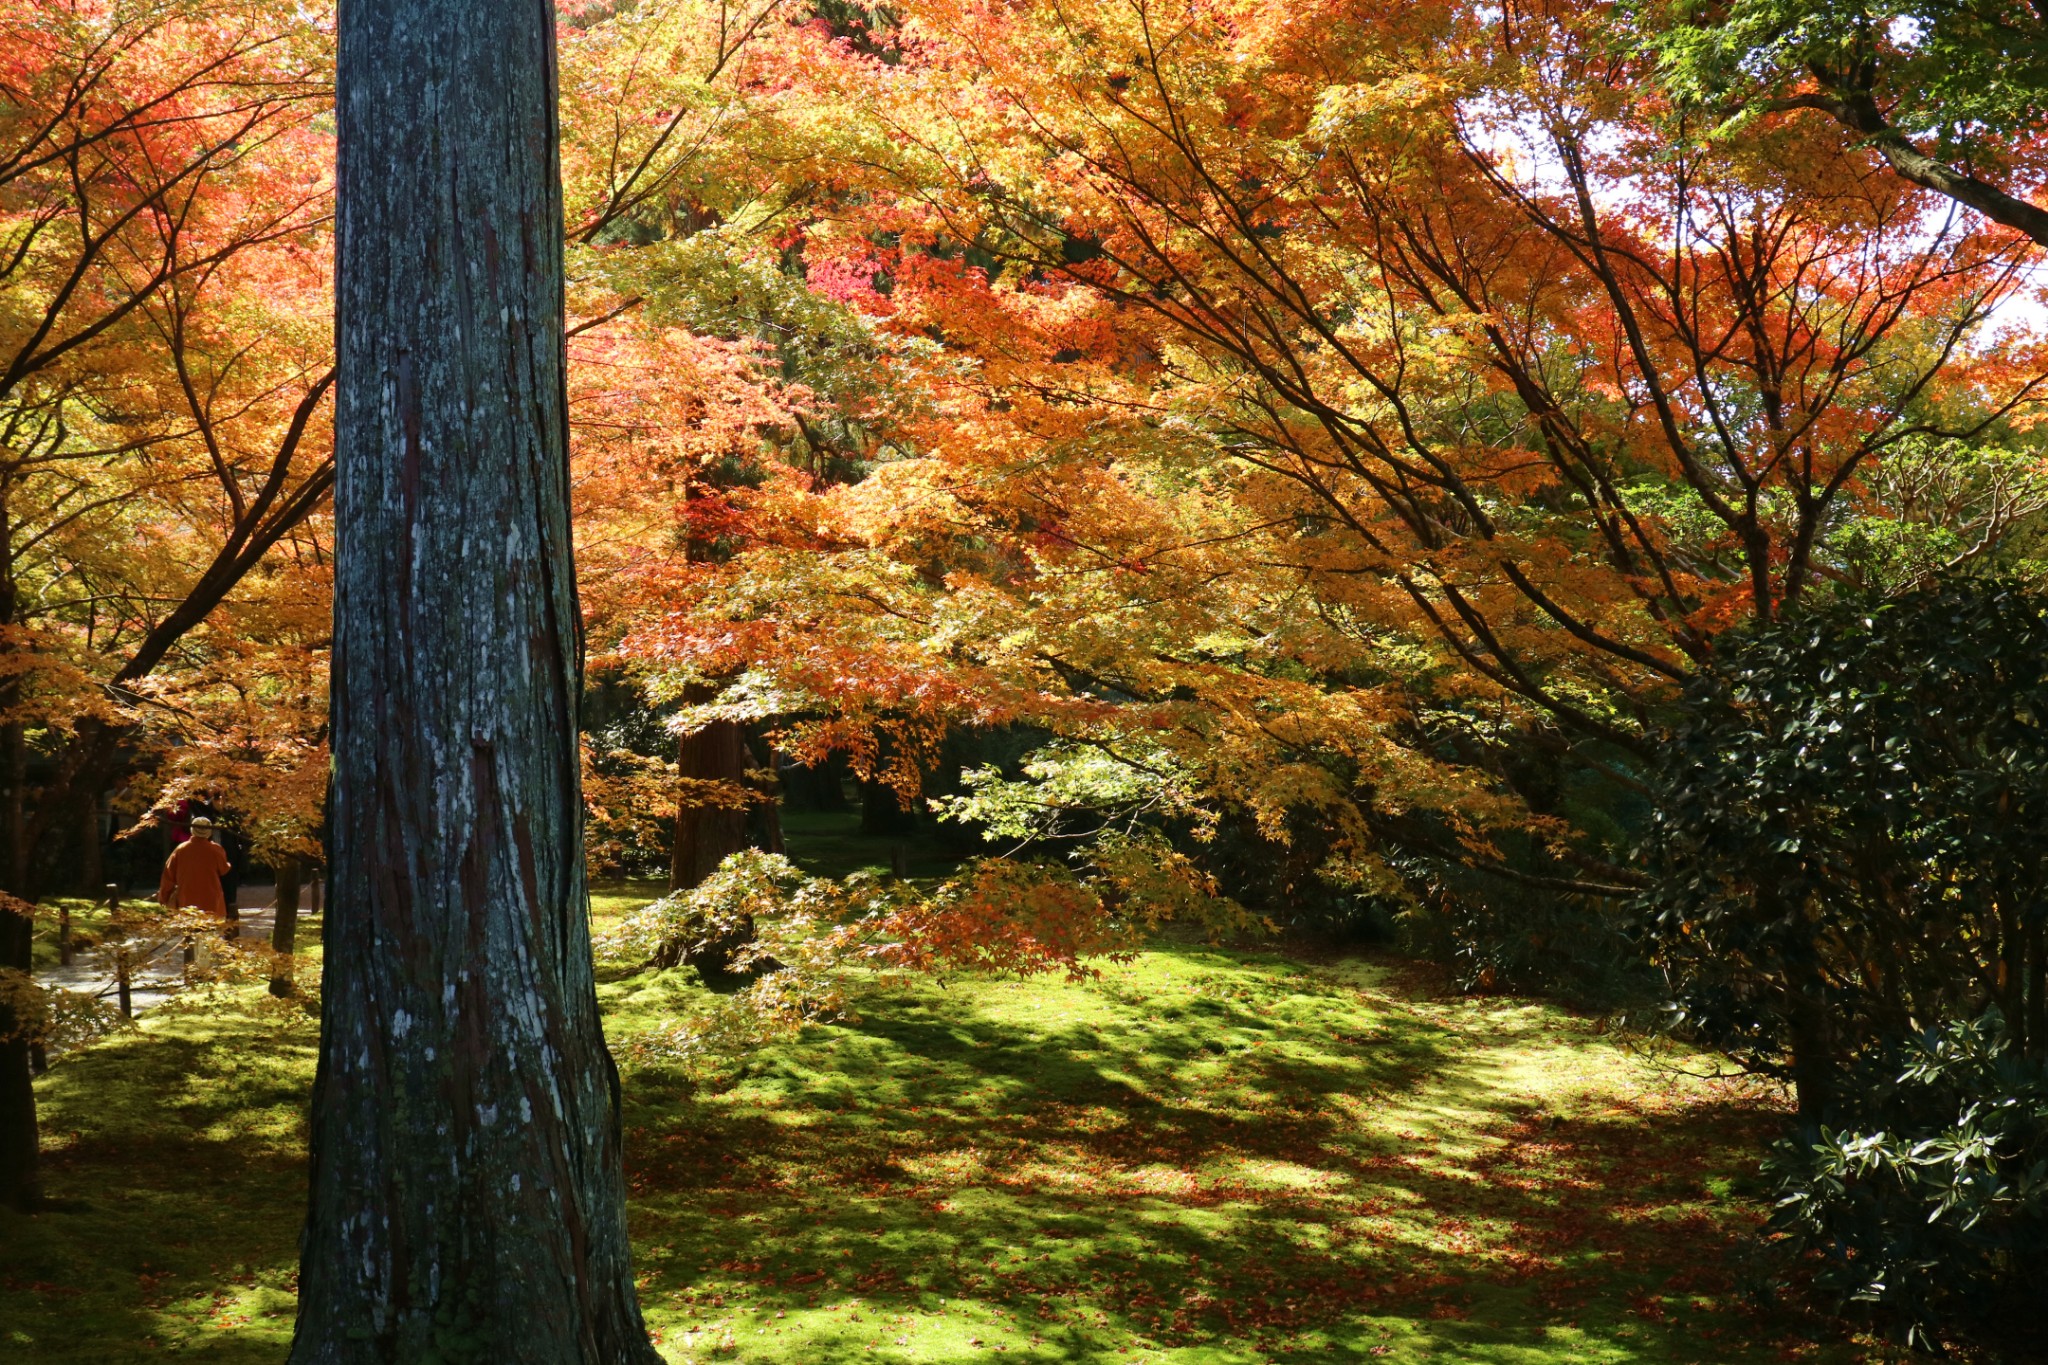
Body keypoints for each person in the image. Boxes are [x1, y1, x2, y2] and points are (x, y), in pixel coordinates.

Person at [158, 815, 233, 927]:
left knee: (189, 934)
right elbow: (224, 870)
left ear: (192, 830)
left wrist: (163, 898)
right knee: (211, 937)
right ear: (209, 831)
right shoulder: (216, 850)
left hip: (186, 899)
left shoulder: (180, 850)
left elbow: (168, 876)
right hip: (211, 900)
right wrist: (228, 864)